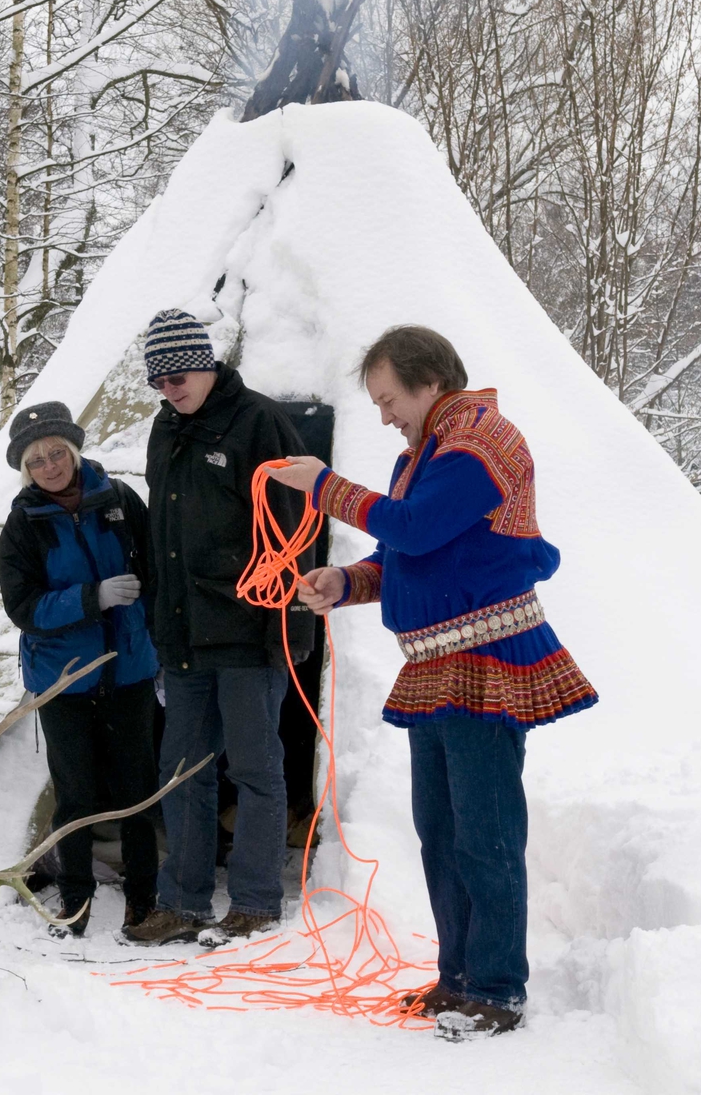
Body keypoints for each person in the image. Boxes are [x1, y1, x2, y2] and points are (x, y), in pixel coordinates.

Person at [267, 325, 597, 1038]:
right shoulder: (423, 456)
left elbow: (414, 530)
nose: (384, 415)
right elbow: (402, 555)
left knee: (485, 833)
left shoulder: (482, 441)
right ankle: (458, 979)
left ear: (430, 382)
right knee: (441, 832)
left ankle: (498, 987)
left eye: (389, 400)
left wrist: (322, 487)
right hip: (435, 664)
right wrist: (344, 581)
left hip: (488, 659)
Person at [124, 309, 315, 946]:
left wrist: (281, 624)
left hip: (248, 632)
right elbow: (163, 532)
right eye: (159, 379)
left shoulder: (259, 423)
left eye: (179, 373)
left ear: (206, 364)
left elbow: (295, 531)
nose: (170, 387)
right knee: (182, 771)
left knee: (256, 771)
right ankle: (184, 901)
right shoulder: (165, 429)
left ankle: (257, 901)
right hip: (182, 635)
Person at [0, 401, 160, 936]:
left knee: (137, 789)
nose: (50, 465)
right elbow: (24, 608)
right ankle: (76, 898)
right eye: (37, 458)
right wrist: (92, 597)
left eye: (56, 452)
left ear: (73, 451)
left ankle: (143, 896)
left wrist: (154, 638)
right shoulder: (23, 526)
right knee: (76, 795)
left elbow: (156, 571)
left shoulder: (118, 501)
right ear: (26, 468)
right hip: (63, 681)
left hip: (128, 670)